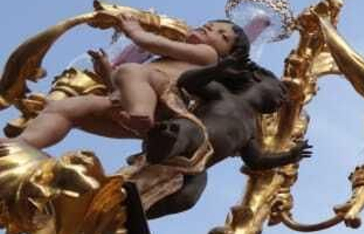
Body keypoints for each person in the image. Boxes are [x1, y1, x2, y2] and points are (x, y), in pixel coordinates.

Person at [11, 15, 237, 148]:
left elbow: (152, 43)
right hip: (128, 113)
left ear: (227, 54)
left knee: (131, 70)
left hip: (164, 106)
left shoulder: (208, 55)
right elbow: (125, 89)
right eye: (211, 24)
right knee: (65, 108)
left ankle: (141, 115)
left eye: (223, 35)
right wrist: (107, 72)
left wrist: (135, 30)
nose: (212, 29)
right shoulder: (162, 63)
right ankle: (25, 144)